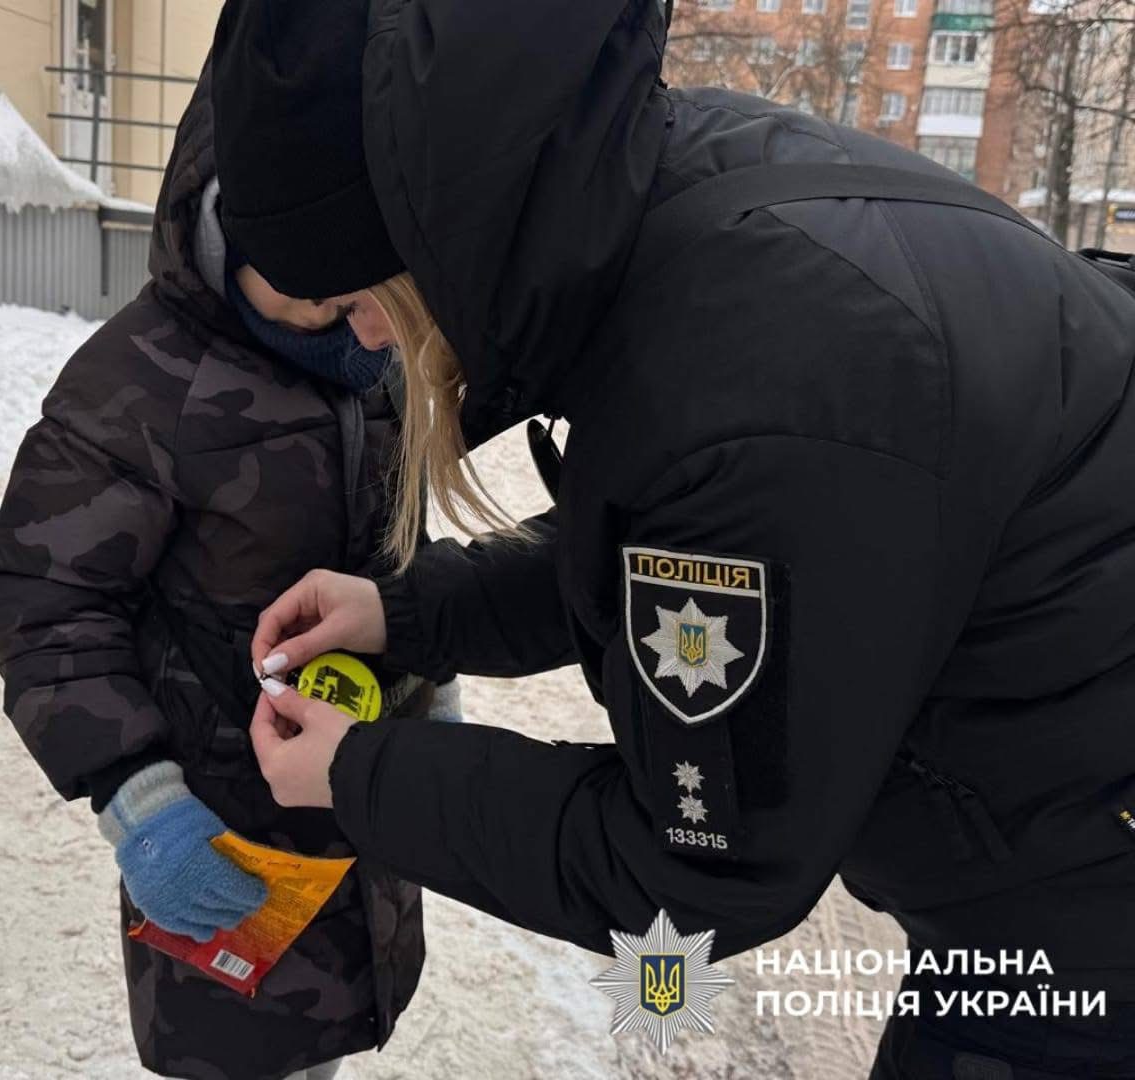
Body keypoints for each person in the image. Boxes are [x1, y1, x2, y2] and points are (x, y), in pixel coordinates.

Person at [208, 0, 1135, 1076]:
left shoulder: (763, 385)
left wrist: (363, 774)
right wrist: (408, 611)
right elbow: (671, 550)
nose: (364, 333)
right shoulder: (673, 204)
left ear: (433, 235)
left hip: (1090, 892)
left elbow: (689, 868)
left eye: (359, 295)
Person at [0, 68, 454, 1080]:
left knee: (323, 1043)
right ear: (231, 214)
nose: (333, 309)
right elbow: (47, 596)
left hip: (357, 815)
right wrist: (137, 798)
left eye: (355, 278)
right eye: (304, 275)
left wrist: (430, 681)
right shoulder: (137, 380)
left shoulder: (379, 354)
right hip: (217, 833)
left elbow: (393, 550)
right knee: (240, 1056)